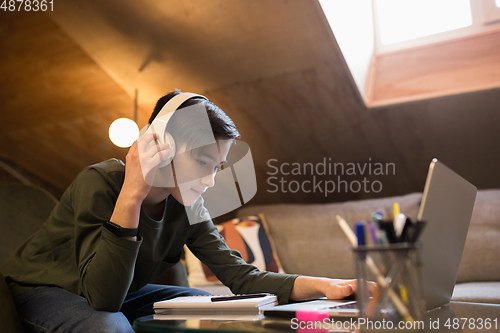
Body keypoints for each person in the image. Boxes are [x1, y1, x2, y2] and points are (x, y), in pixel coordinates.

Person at [1, 90, 357, 333]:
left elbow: (241, 278)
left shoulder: (189, 203)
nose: (210, 180)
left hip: (120, 291)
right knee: (108, 326)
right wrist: (132, 197)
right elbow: (103, 299)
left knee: (214, 306)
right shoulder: (100, 183)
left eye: (216, 167)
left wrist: (328, 286)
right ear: (164, 147)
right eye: (203, 161)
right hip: (46, 290)